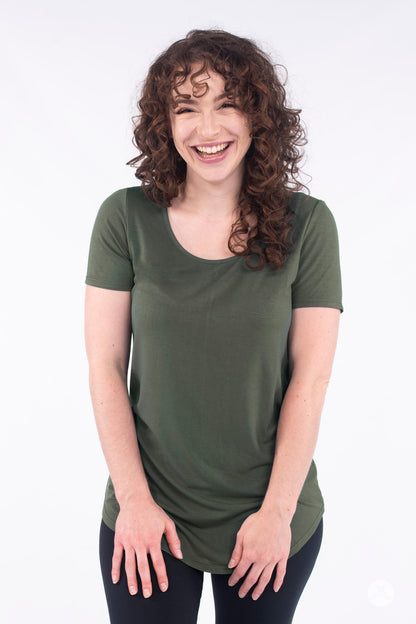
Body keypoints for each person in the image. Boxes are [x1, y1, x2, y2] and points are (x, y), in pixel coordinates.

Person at [84, 28, 343, 624]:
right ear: (164, 123)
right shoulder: (124, 218)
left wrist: (277, 513)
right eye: (186, 108)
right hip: (148, 513)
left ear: (258, 117)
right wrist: (134, 502)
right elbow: (104, 367)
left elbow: (311, 378)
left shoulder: (308, 225)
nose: (207, 128)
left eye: (227, 104)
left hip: (270, 516)